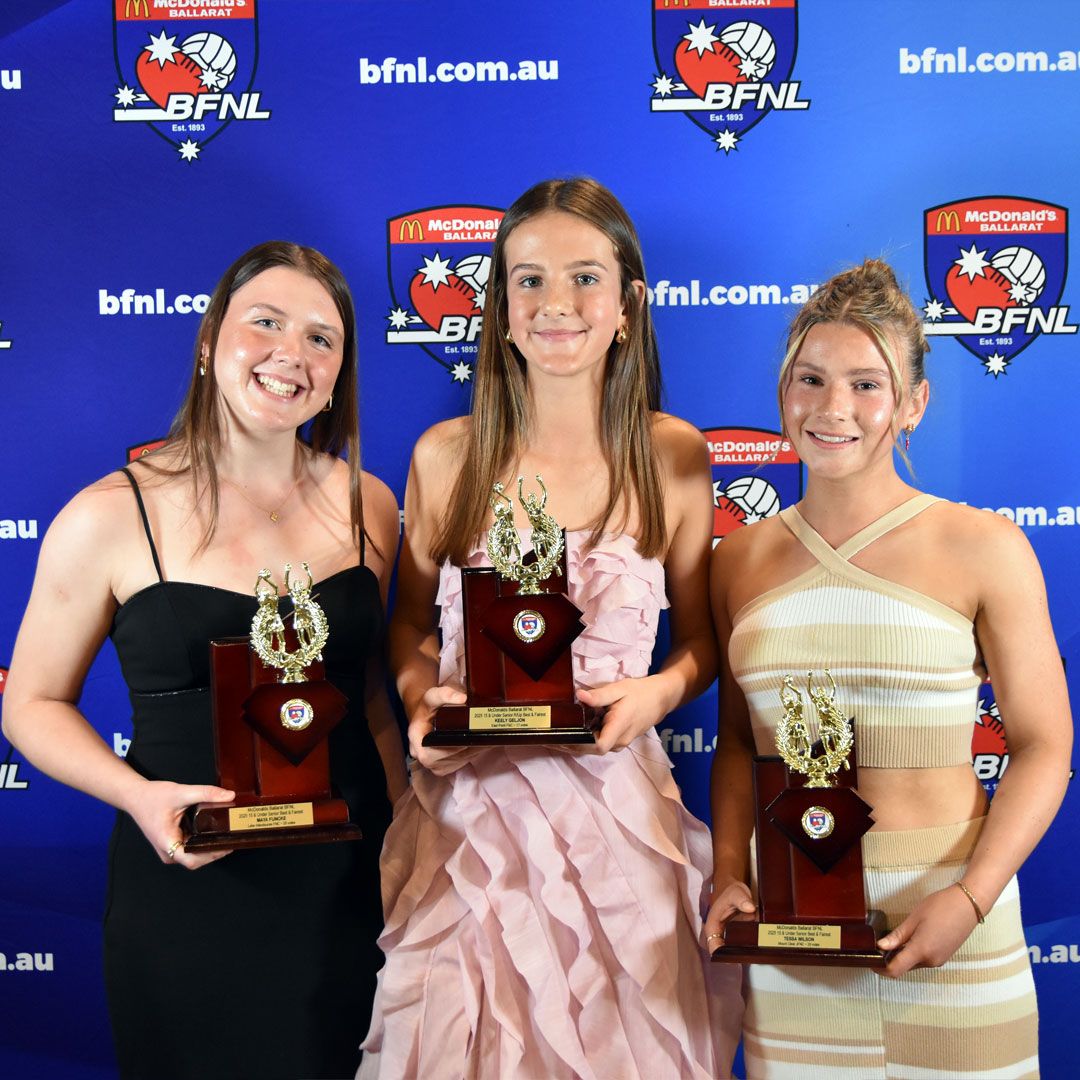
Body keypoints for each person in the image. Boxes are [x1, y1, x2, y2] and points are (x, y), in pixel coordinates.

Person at [359, 178, 742, 1079]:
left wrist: (656, 694)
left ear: (628, 305)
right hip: (468, 824)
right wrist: (421, 701)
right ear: (499, 308)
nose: (555, 302)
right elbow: (408, 625)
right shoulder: (445, 455)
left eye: (584, 277)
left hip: (619, 822)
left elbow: (703, 643)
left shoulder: (675, 454)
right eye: (528, 279)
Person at [1, 241, 406, 1079]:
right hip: (189, 882)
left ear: (340, 370)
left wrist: (409, 835)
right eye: (266, 323)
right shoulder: (108, 515)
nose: (290, 354)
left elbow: (367, 697)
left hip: (350, 882)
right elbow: (31, 703)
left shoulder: (369, 502)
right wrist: (139, 797)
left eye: (321, 338)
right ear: (210, 338)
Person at [705, 258, 1071, 1078]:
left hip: (953, 930)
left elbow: (1045, 746)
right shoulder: (738, 560)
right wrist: (729, 874)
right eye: (811, 379)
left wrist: (970, 899)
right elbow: (737, 746)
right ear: (783, 392)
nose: (833, 407)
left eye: (867, 385)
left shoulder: (986, 546)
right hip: (795, 944)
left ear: (913, 404)